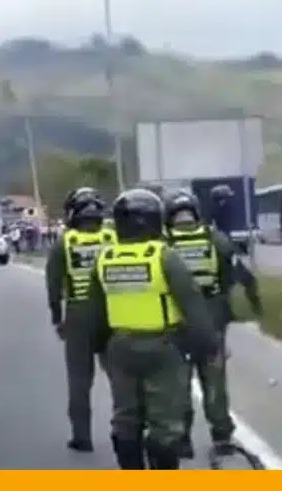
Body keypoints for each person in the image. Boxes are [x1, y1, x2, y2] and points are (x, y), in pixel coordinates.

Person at [88, 188, 221, 469]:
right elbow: (192, 305)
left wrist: (101, 349)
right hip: (163, 348)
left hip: (120, 348)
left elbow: (96, 312)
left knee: (125, 417)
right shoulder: (163, 256)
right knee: (164, 423)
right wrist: (209, 347)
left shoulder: (104, 258)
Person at [163, 188, 264, 458]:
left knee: (178, 384)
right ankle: (221, 435)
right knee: (214, 382)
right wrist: (255, 306)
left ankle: (181, 438)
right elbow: (241, 275)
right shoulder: (214, 238)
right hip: (212, 323)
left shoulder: (162, 243)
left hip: (177, 324)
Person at [44, 187, 113, 452]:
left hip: (78, 313)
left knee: (80, 379)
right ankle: (128, 428)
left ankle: (82, 436)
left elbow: (53, 286)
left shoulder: (64, 243)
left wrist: (57, 318)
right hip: (112, 312)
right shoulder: (113, 237)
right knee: (119, 377)